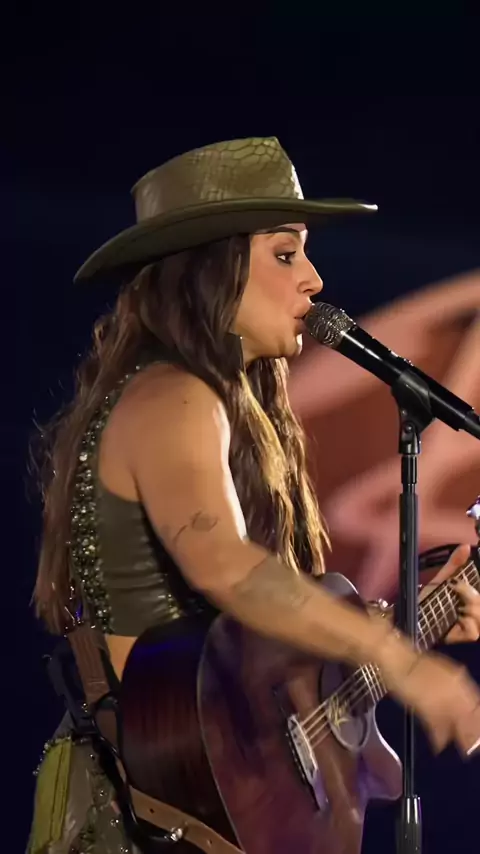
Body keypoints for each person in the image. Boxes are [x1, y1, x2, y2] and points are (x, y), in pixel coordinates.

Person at [27, 137, 480, 854]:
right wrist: (403, 663)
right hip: (145, 816)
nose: (314, 279)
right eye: (285, 254)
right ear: (212, 267)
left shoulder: (224, 407)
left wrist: (413, 623)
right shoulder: (173, 397)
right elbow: (229, 569)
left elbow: (256, 648)